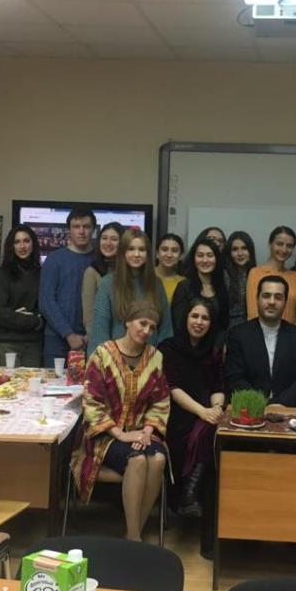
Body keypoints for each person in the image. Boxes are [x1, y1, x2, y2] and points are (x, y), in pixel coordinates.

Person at [74, 301, 170, 541]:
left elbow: (160, 401)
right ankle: (135, 539)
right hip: (105, 436)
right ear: (127, 322)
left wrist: (147, 431)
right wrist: (121, 434)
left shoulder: (155, 358)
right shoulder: (102, 355)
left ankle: (132, 532)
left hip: (142, 432)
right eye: (142, 323)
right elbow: (91, 402)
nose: (146, 331)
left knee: (158, 459)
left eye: (152, 327)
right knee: (137, 459)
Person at [159, 299, 224, 517]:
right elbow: (172, 388)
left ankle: (192, 494)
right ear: (185, 318)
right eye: (194, 316)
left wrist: (217, 407)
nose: (199, 322)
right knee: (204, 429)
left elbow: (218, 386)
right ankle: (186, 495)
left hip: (205, 412)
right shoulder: (168, 348)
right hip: (175, 412)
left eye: (205, 318)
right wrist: (203, 412)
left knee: (213, 428)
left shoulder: (213, 350)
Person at [225, 276, 296, 407]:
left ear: (285, 302)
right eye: (266, 296)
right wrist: (261, 404)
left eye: (278, 297)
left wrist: (278, 404)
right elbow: (234, 378)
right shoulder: (238, 335)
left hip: (289, 409)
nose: (272, 302)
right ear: (257, 299)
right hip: (250, 409)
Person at [89, 229, 173, 355]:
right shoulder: (108, 284)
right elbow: (99, 332)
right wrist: (106, 362)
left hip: (150, 359)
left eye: (142, 250)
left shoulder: (156, 284)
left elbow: (166, 330)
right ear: (123, 252)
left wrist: (160, 359)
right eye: (131, 249)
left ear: (148, 253)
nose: (136, 254)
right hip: (116, 360)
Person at [40, 207, 96, 366]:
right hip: (57, 340)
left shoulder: (99, 260)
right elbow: (46, 302)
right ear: (69, 230)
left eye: (86, 226)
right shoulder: (54, 260)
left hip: (92, 340)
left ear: (93, 230)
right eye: (76, 226)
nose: (81, 231)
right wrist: (68, 334)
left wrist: (92, 333)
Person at [0, 225, 44, 369]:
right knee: (7, 383)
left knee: (34, 384)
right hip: (6, 343)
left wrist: (33, 319)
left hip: (33, 344)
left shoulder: (41, 273)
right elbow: (0, 313)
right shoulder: (2, 274)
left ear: (33, 244)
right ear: (11, 246)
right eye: (17, 242)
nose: (22, 246)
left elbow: (44, 309)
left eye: (26, 241)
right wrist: (34, 320)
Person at [245, 227, 296, 327]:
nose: (284, 250)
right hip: (261, 334)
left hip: (292, 334)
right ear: (270, 244)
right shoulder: (255, 273)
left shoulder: (295, 276)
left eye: (289, 246)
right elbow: (253, 313)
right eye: (280, 244)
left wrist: (294, 334)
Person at [172, 236, 229, 340]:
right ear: (194, 259)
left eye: (210, 255)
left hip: (215, 345)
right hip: (187, 344)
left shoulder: (223, 286)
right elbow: (178, 324)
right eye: (200, 255)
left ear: (216, 259)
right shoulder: (184, 287)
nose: (205, 260)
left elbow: (224, 323)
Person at [81, 221, 123, 339]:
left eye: (114, 239)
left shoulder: (129, 272)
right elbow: (89, 317)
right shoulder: (92, 272)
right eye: (104, 238)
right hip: (101, 341)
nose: (108, 243)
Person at [224, 231, 256, 329]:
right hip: (228, 327)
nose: (240, 254)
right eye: (235, 249)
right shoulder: (224, 275)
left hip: (252, 326)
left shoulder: (257, 274)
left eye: (244, 248)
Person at [155, 233, 185, 304]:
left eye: (174, 251)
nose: (169, 255)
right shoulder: (144, 276)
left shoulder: (184, 284)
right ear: (157, 253)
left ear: (181, 256)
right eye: (164, 249)